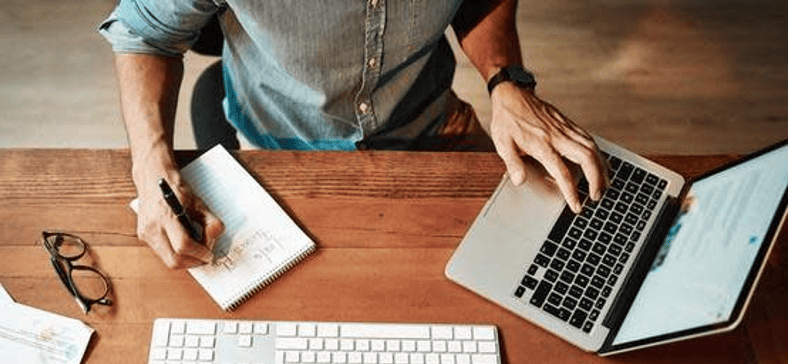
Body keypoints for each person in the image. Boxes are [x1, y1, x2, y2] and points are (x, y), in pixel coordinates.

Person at [99, 0, 607, 269]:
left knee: (550, 251)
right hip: (280, 145)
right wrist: (148, 164)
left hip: (431, 121)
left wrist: (504, 79)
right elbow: (145, 33)